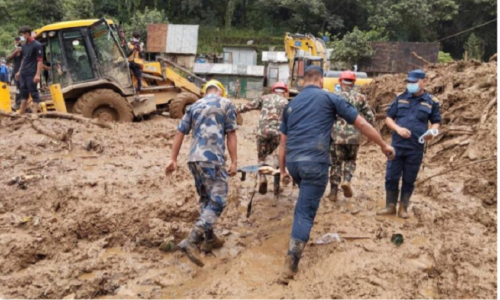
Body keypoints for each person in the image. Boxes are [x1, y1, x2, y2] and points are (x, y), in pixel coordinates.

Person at [278, 66, 395, 284]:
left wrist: (283, 170)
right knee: (304, 212)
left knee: (304, 200)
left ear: (303, 82)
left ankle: (298, 235)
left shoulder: (291, 104)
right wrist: (382, 145)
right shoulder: (330, 98)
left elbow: (282, 141)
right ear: (321, 81)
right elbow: (361, 122)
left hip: (294, 162)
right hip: (315, 161)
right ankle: (291, 264)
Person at [165, 80, 238, 267]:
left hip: (194, 160)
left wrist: (173, 159)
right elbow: (231, 134)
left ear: (205, 92)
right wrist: (235, 161)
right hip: (213, 159)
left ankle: (210, 238)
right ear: (221, 92)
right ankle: (192, 240)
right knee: (219, 201)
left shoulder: (194, 105)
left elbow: (180, 133)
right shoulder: (226, 104)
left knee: (206, 199)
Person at [377, 69, 441, 219]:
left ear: (424, 82)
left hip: (416, 147)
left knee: (409, 178)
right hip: (397, 145)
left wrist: (432, 132)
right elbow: (388, 118)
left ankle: (403, 208)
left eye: (414, 82)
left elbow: (436, 122)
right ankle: (390, 206)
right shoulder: (400, 98)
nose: (410, 85)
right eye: (409, 82)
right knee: (391, 176)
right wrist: (398, 129)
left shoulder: (431, 102)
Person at [329, 71, 375, 201]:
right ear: (354, 83)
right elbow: (370, 117)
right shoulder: (360, 98)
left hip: (337, 136)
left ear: (340, 82)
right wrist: (370, 131)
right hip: (354, 136)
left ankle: (333, 192)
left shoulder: (334, 97)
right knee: (350, 160)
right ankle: (347, 180)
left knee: (335, 163)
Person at [236, 81, 289, 194]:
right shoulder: (286, 102)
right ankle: (276, 188)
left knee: (261, 158)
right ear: (285, 92)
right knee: (277, 160)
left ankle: (262, 178)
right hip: (278, 133)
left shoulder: (264, 98)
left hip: (262, 133)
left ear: (273, 90)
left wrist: (235, 110)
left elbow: (247, 106)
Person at [15, 26, 43, 114]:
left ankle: (35, 114)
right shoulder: (24, 46)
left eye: (22, 35)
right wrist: (19, 71)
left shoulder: (37, 45)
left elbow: (40, 61)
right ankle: (21, 112)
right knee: (23, 92)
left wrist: (38, 74)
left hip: (32, 73)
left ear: (27, 34)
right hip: (23, 73)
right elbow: (24, 59)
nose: (21, 38)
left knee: (34, 92)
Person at [8, 36, 23, 109]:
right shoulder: (15, 49)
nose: (17, 42)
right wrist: (16, 51)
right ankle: (18, 103)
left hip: (23, 70)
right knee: (18, 87)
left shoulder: (25, 48)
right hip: (16, 71)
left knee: (23, 87)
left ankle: (21, 103)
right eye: (16, 41)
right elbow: (9, 57)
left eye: (19, 41)